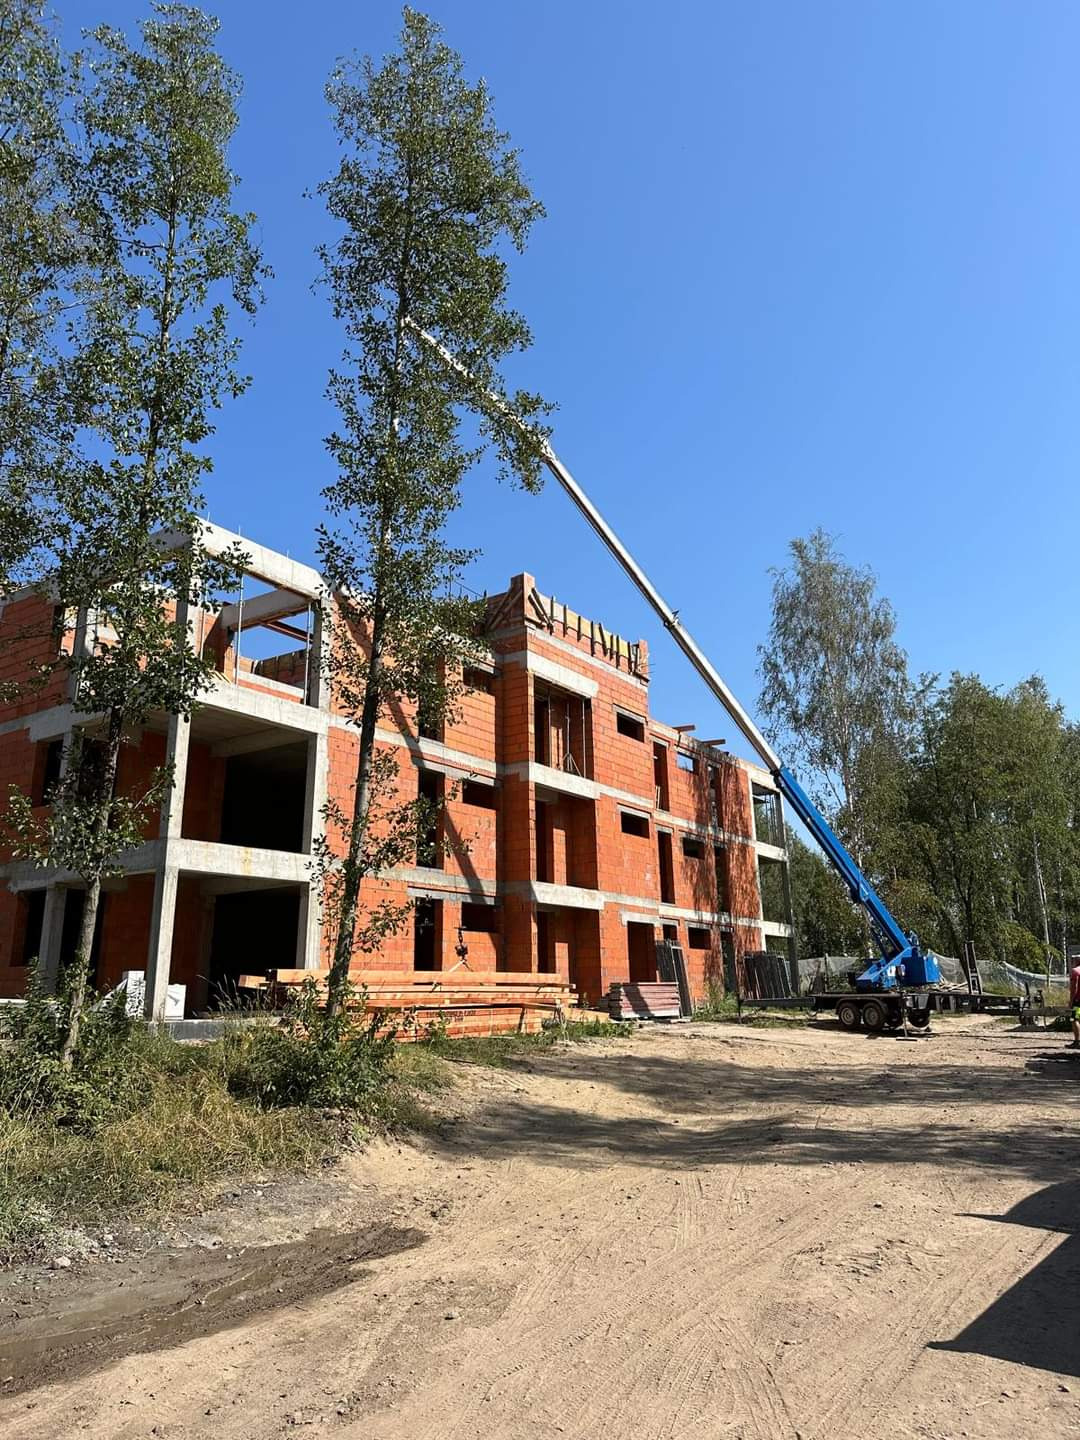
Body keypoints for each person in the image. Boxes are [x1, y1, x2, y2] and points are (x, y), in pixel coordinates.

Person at [1070, 960, 1080, 1049]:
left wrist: (1071, 1000)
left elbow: (1074, 988)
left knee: (1074, 1019)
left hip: (1078, 1001)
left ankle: (1077, 1041)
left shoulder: (1076, 971)